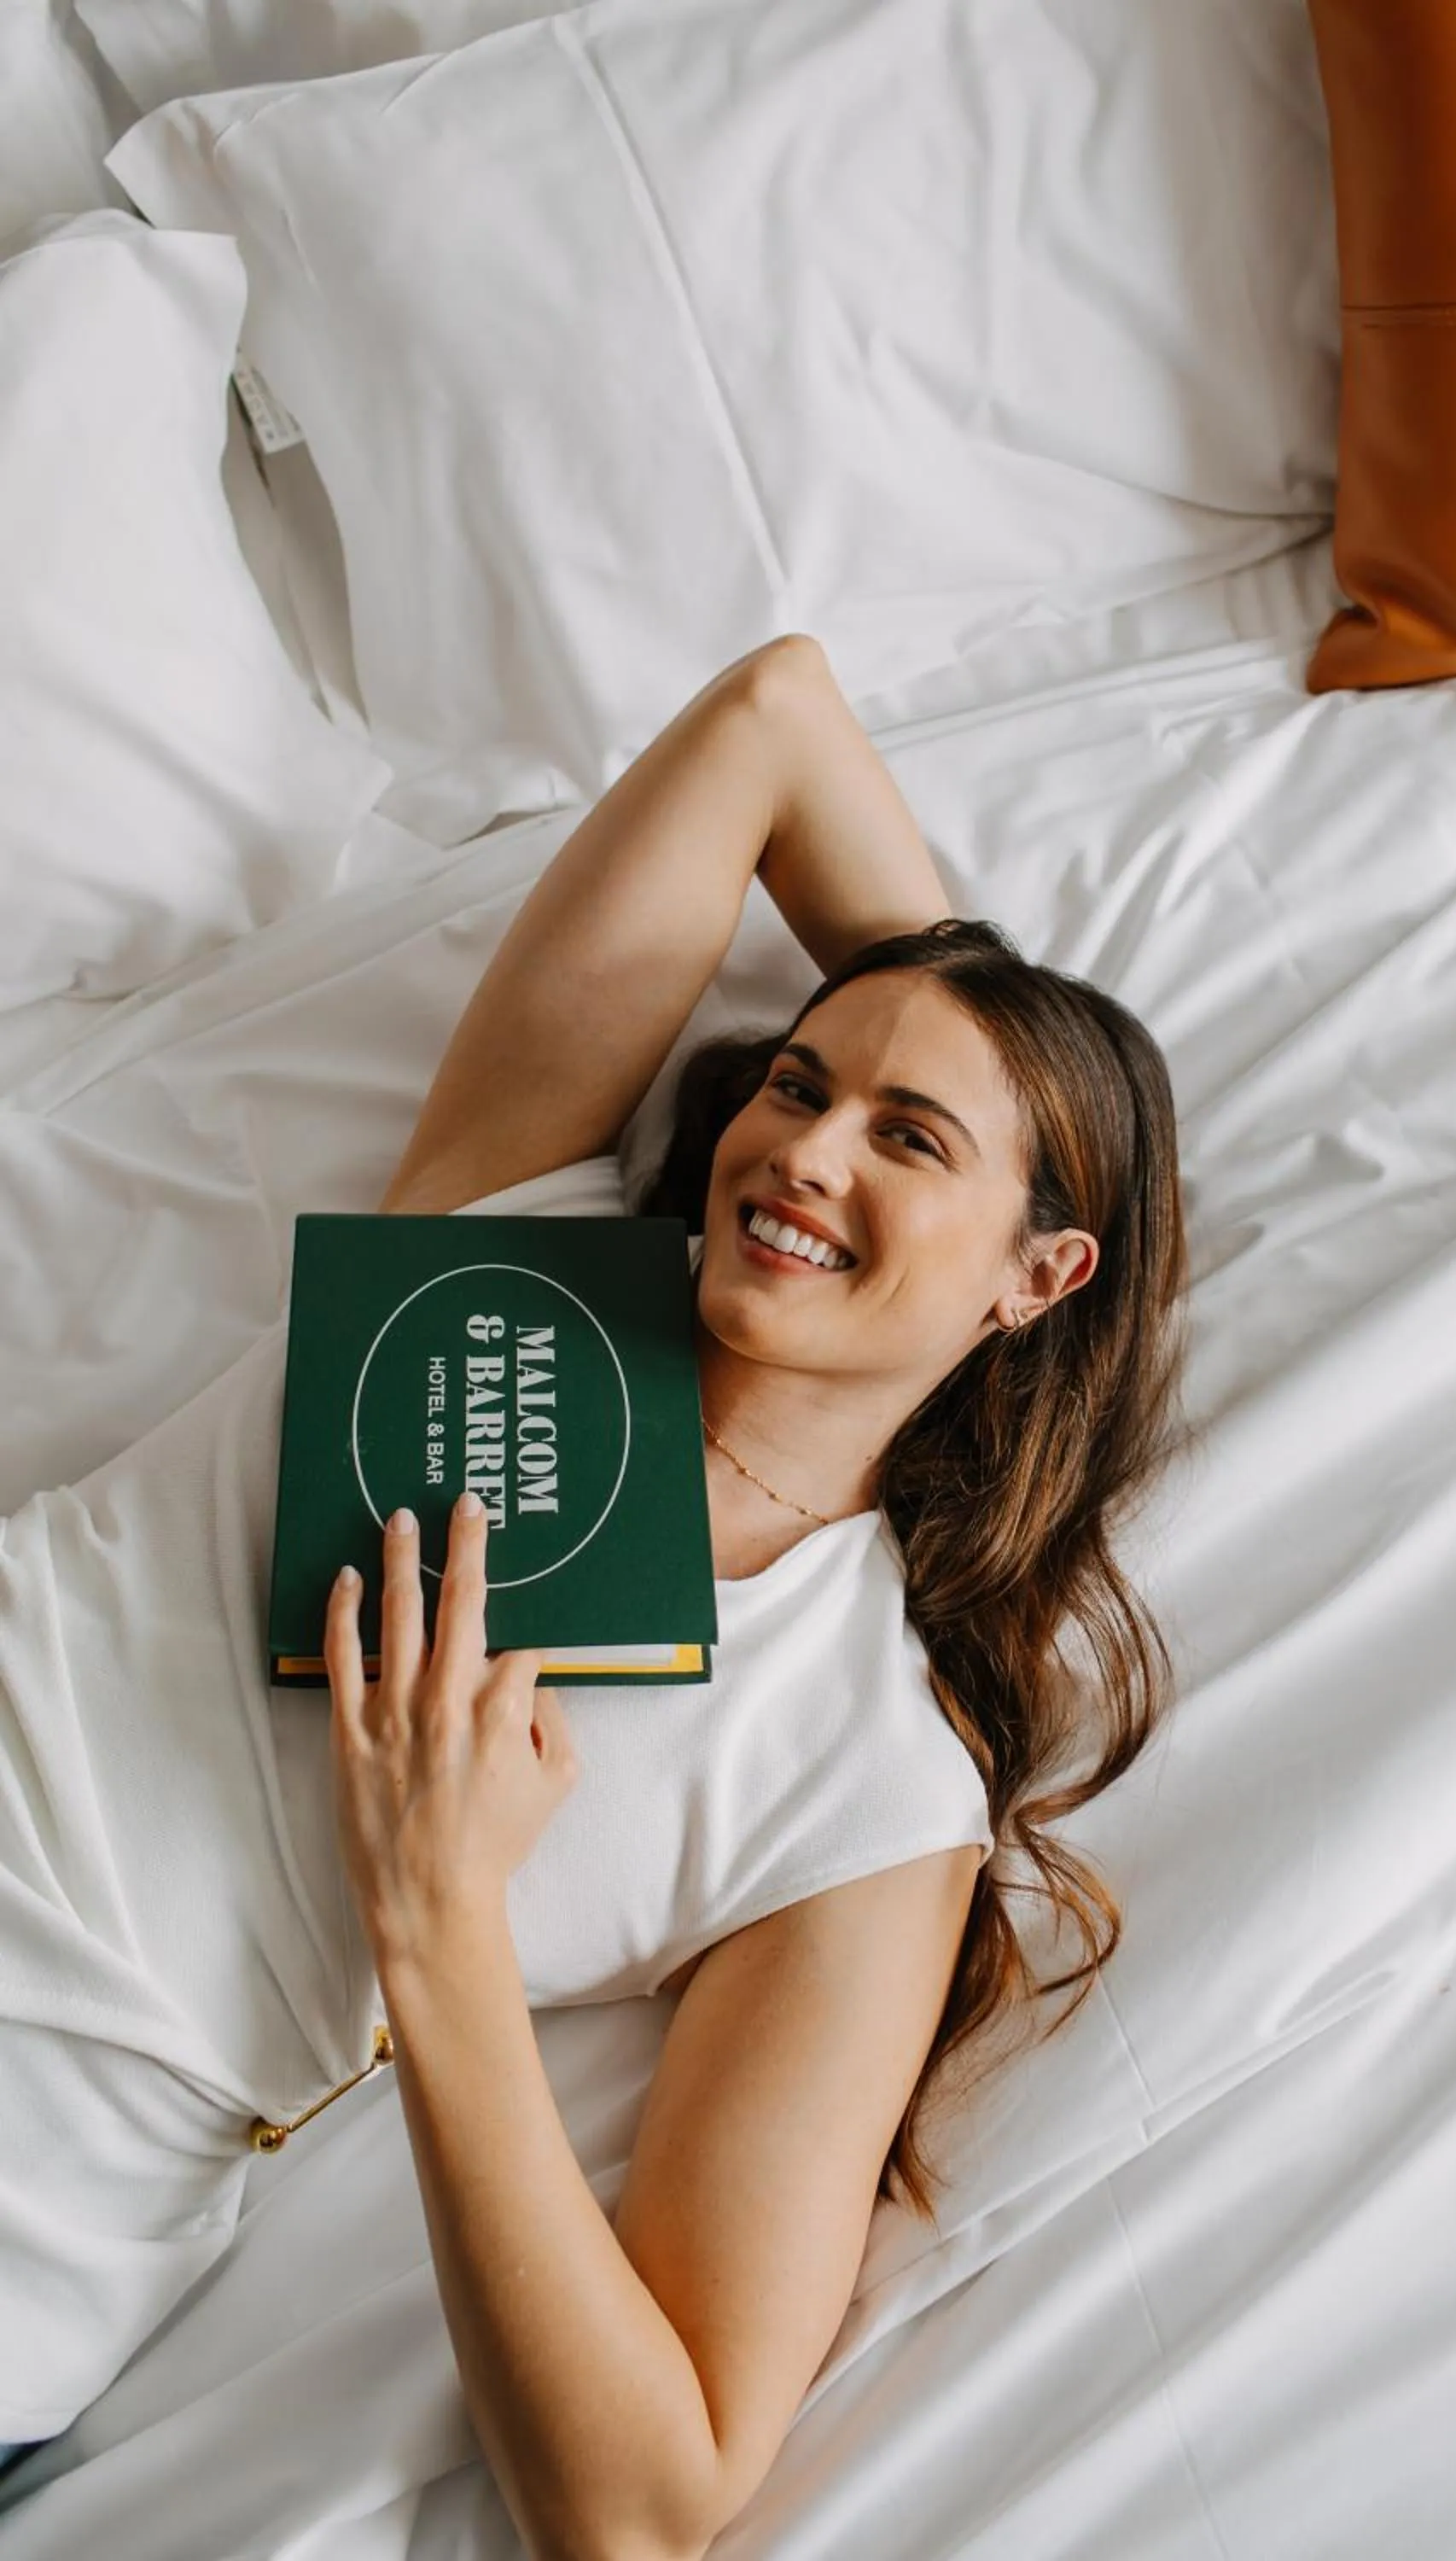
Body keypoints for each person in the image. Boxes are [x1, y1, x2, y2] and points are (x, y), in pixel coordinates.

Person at [0, 635, 1188, 2549]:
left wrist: (437, 1919)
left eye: (906, 1140)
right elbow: (777, 717)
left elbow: (639, 2507)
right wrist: (979, 1015)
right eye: (796, 1085)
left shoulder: (867, 1791)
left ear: (1039, 1279)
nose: (799, 1149)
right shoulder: (507, 1247)